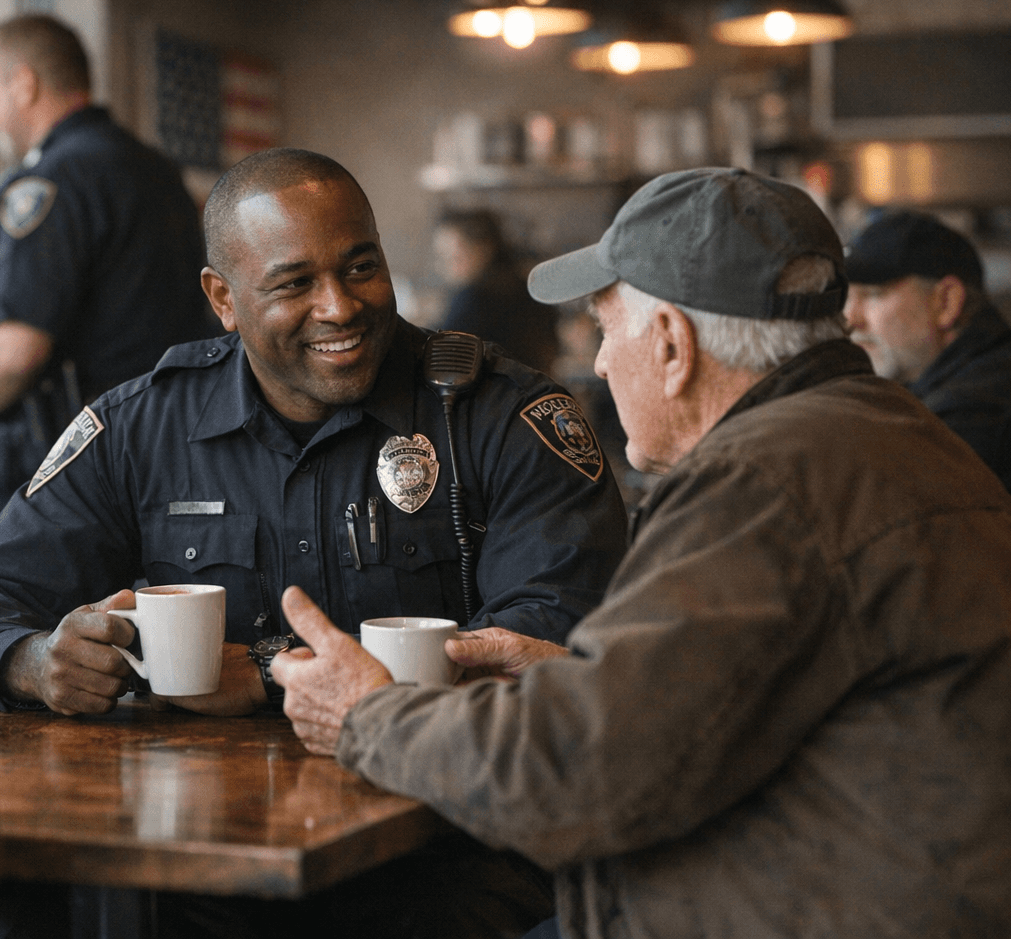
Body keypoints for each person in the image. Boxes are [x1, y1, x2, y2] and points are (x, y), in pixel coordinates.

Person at [273, 167, 1011, 939]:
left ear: (670, 346)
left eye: (602, 330)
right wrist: (576, 678)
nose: (596, 365)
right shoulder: (885, 432)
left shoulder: (763, 482)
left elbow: (579, 777)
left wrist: (367, 716)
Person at [0, 148, 628, 939]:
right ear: (222, 299)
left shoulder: (502, 416)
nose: (340, 307)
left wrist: (268, 671)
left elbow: (552, 644)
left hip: (447, 856)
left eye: (361, 268)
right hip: (203, 869)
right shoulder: (140, 426)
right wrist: (35, 660)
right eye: (294, 284)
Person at [0, 14, 213, 537]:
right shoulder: (156, 169)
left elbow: (14, 351)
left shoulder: (51, 182)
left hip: (75, 471)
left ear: (24, 84)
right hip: (170, 445)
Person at [843, 209, 1011, 489]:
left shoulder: (970, 419)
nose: (851, 319)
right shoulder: (941, 389)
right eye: (848, 298)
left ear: (946, 302)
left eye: (873, 295)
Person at [435, 208, 558, 373]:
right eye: (441, 258)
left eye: (454, 258)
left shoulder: (474, 299)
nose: (444, 269)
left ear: (484, 248)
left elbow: (443, 356)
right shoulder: (527, 287)